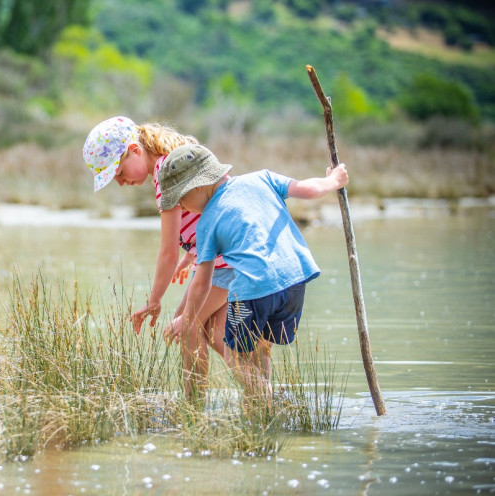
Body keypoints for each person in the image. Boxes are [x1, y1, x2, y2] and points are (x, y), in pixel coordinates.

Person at [158, 144, 349, 400]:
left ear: (199, 186)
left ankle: (268, 403)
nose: (182, 206)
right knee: (258, 352)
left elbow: (201, 284)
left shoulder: (206, 223)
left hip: (253, 291)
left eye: (181, 198)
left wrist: (186, 319)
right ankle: (260, 411)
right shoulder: (262, 178)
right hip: (295, 282)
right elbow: (310, 189)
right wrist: (335, 179)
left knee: (235, 357)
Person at [82, 116, 234, 379]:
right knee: (215, 333)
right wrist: (191, 254)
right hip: (228, 254)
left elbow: (166, 253)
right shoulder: (175, 157)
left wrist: (154, 301)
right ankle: (265, 396)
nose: (119, 182)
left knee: (186, 326)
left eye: (118, 172)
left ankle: (194, 409)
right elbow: (207, 211)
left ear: (135, 151)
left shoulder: (167, 174)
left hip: (225, 260)